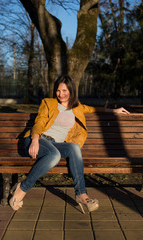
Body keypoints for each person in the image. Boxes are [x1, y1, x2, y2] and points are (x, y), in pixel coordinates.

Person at [9, 75, 130, 213]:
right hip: (37, 139)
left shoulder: (77, 107)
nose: (61, 94)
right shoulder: (48, 103)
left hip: (54, 145)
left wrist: (114, 110)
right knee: (54, 155)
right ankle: (23, 188)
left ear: (71, 91)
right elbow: (39, 122)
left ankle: (81, 194)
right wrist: (35, 140)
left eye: (65, 91)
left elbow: (93, 109)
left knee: (74, 147)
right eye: (58, 91)